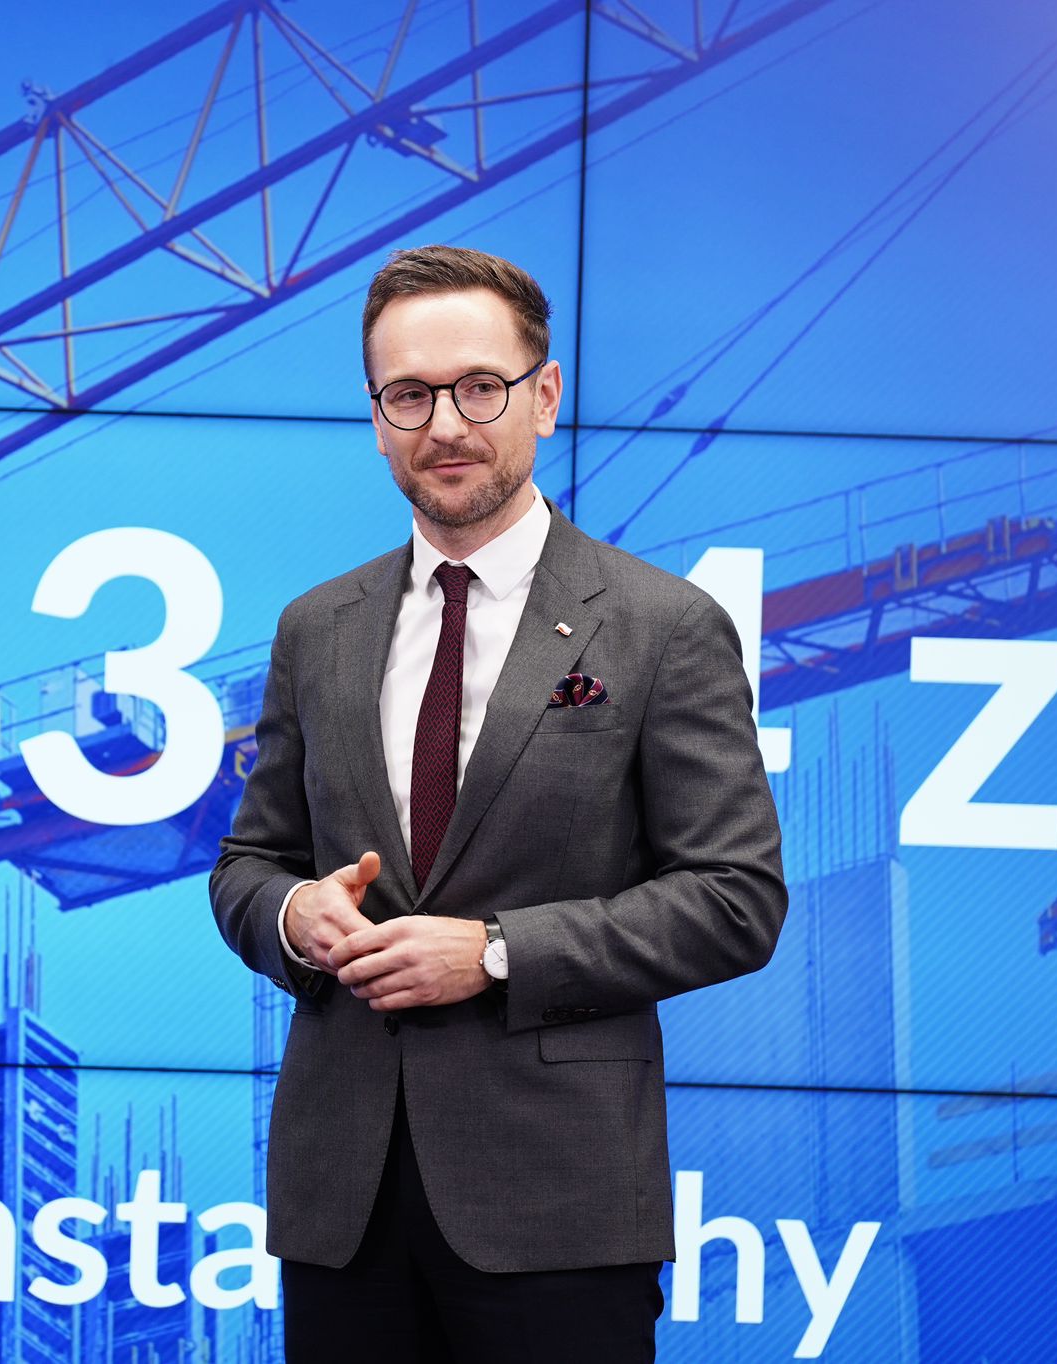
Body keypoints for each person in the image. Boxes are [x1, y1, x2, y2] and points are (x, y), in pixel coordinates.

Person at [210, 244, 787, 1361]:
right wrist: (291, 914)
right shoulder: (315, 629)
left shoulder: (662, 627)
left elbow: (735, 897)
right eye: (408, 395)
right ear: (375, 416)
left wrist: (493, 952)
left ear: (545, 396)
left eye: (479, 387)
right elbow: (248, 864)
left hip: (557, 1206)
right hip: (343, 1204)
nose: (444, 426)